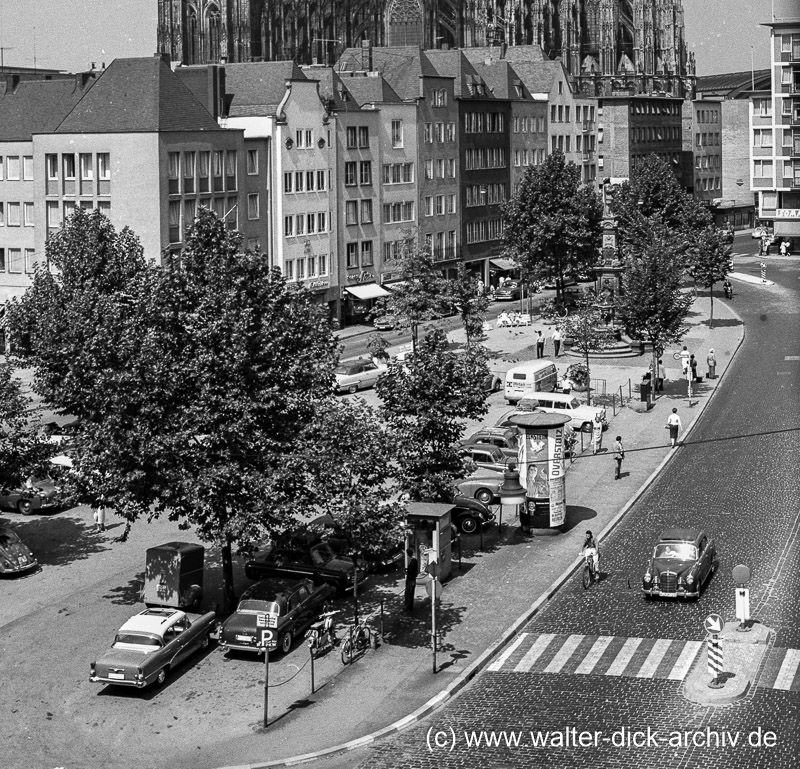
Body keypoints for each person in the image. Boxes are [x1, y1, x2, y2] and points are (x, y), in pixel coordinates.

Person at [404, 548, 419, 612]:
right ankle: (410, 607)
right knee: (411, 593)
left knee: (408, 594)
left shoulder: (411, 562)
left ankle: (407, 608)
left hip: (410, 580)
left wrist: (407, 572)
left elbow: (412, 572)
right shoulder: (415, 561)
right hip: (413, 579)